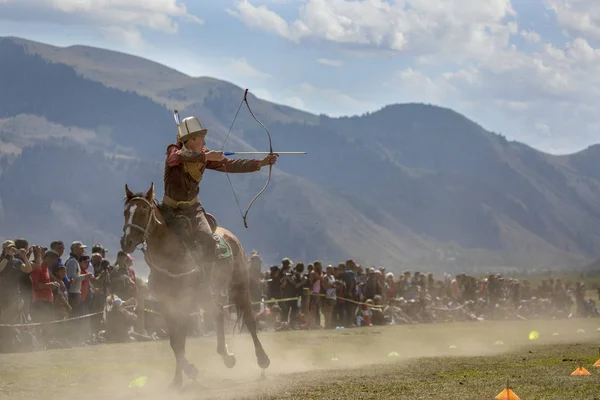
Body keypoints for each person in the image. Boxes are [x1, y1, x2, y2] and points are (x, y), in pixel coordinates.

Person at [163, 114, 278, 264]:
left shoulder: (205, 155)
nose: (204, 141)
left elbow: (231, 165)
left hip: (192, 210)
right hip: (168, 209)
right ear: (191, 140)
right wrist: (205, 157)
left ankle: (206, 282)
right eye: (201, 138)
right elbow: (175, 158)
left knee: (208, 242)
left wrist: (260, 163)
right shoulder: (174, 149)